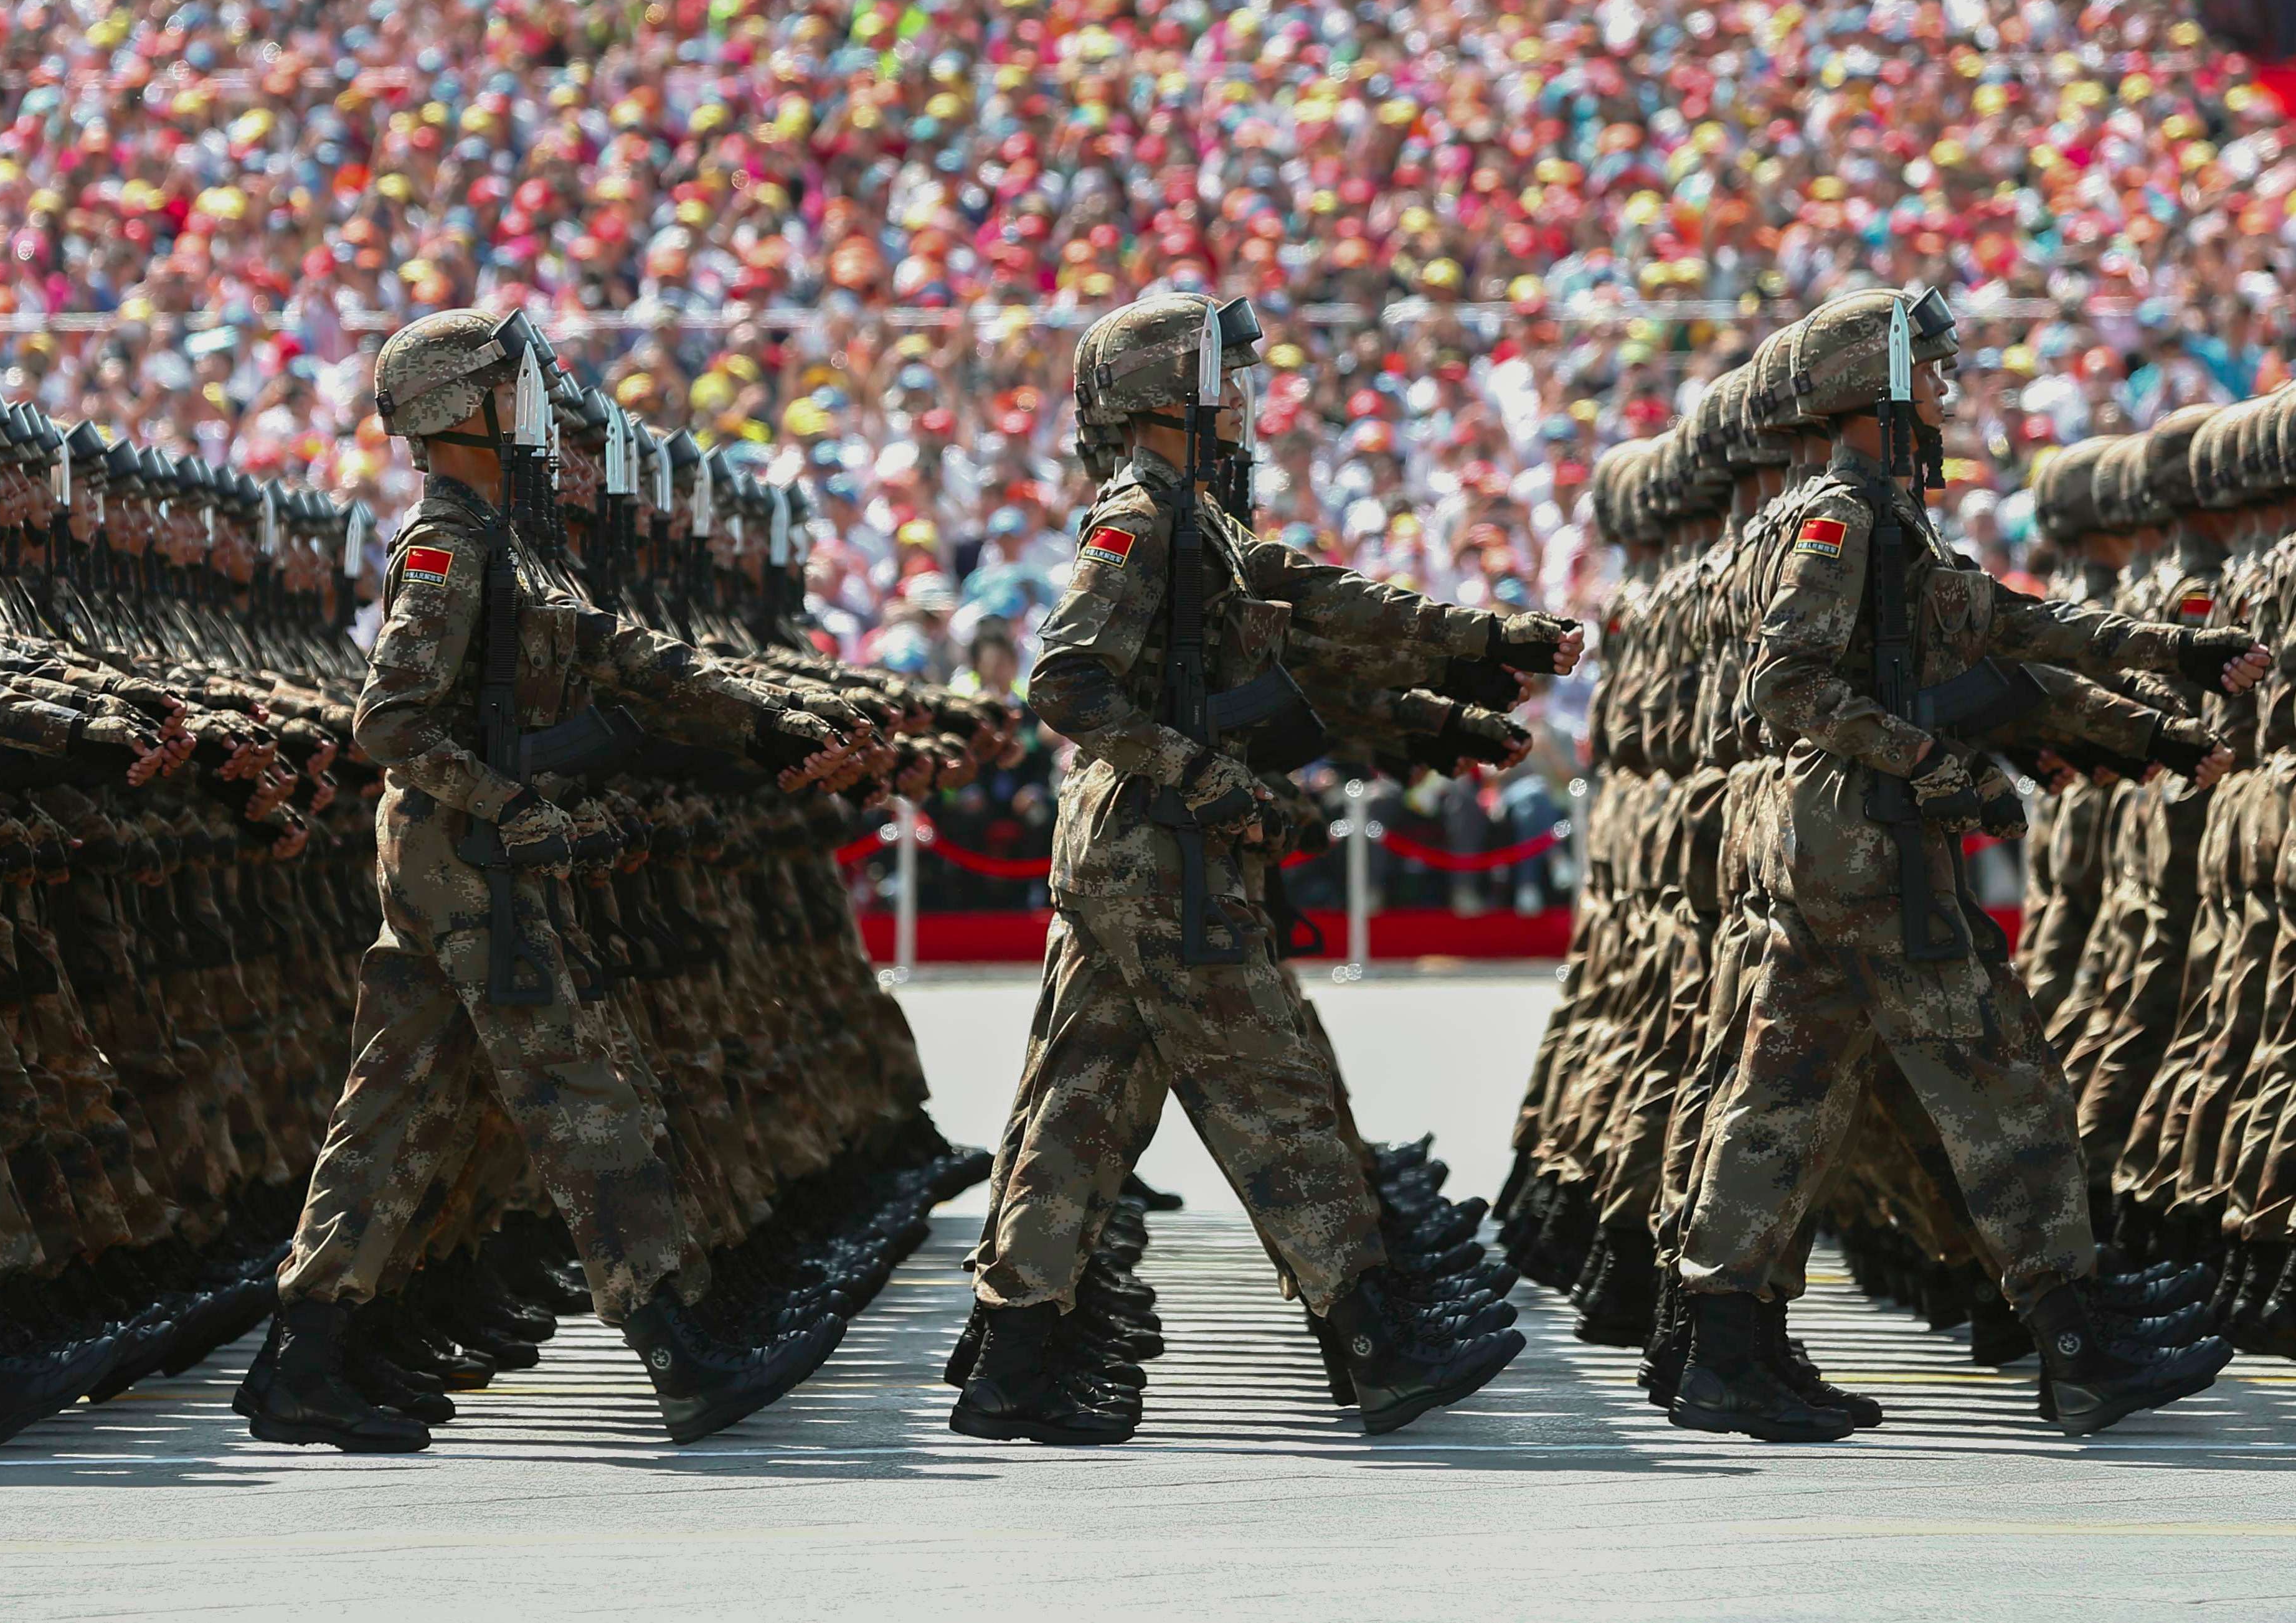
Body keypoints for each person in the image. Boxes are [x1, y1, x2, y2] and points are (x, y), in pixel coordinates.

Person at [953, 292, 1580, 1444]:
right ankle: (1374, 1336)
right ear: (1164, 392)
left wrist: (1467, 647)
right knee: (1269, 1088)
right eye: (1220, 373)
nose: (1243, 393)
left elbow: (1319, 609)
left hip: (1143, 848)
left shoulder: (1195, 517)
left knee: (1081, 1107)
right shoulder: (1140, 518)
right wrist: (1209, 780)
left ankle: (1011, 1358)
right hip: (1160, 850)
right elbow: (1065, 683)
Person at [253, 308, 856, 1452]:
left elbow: (622, 654)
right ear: (455, 412)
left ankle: (306, 1360)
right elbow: (386, 720)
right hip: (466, 861)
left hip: (467, 859)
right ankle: (680, 1346)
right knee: (587, 1099)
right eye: (509, 389)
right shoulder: (444, 544)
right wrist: (510, 803)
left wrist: (765, 726)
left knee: (391, 1115)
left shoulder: (500, 539)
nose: (533, 409)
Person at [1671, 289, 2264, 1442]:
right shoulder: (1841, 521)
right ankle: (2078, 1344)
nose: (1949, 388)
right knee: (2006, 1086)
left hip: (1835, 843)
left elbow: (2004, 624)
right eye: (1931, 373)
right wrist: (1932, 765)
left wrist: (2168, 653)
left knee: (1779, 1102)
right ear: (1874, 393)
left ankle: (1723, 1347)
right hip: (1869, 840)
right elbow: (1785, 686)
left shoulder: (1870, 517)